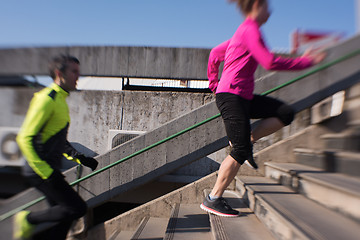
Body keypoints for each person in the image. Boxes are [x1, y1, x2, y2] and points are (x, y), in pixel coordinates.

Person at [200, 0, 326, 217]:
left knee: (285, 113)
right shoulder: (250, 30)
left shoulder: (244, 33)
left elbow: (214, 54)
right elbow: (268, 61)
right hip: (232, 97)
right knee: (238, 151)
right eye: (268, 6)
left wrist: (214, 83)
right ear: (257, 5)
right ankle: (214, 198)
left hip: (241, 97)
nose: (271, 10)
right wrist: (306, 62)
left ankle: (248, 140)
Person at [14, 55, 99, 239]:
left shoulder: (61, 100)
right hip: (39, 170)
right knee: (76, 208)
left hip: (48, 169)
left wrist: (80, 158)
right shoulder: (47, 99)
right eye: (74, 71)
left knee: (63, 216)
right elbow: (24, 137)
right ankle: (28, 219)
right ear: (59, 73)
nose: (78, 76)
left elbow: (58, 139)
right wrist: (46, 172)